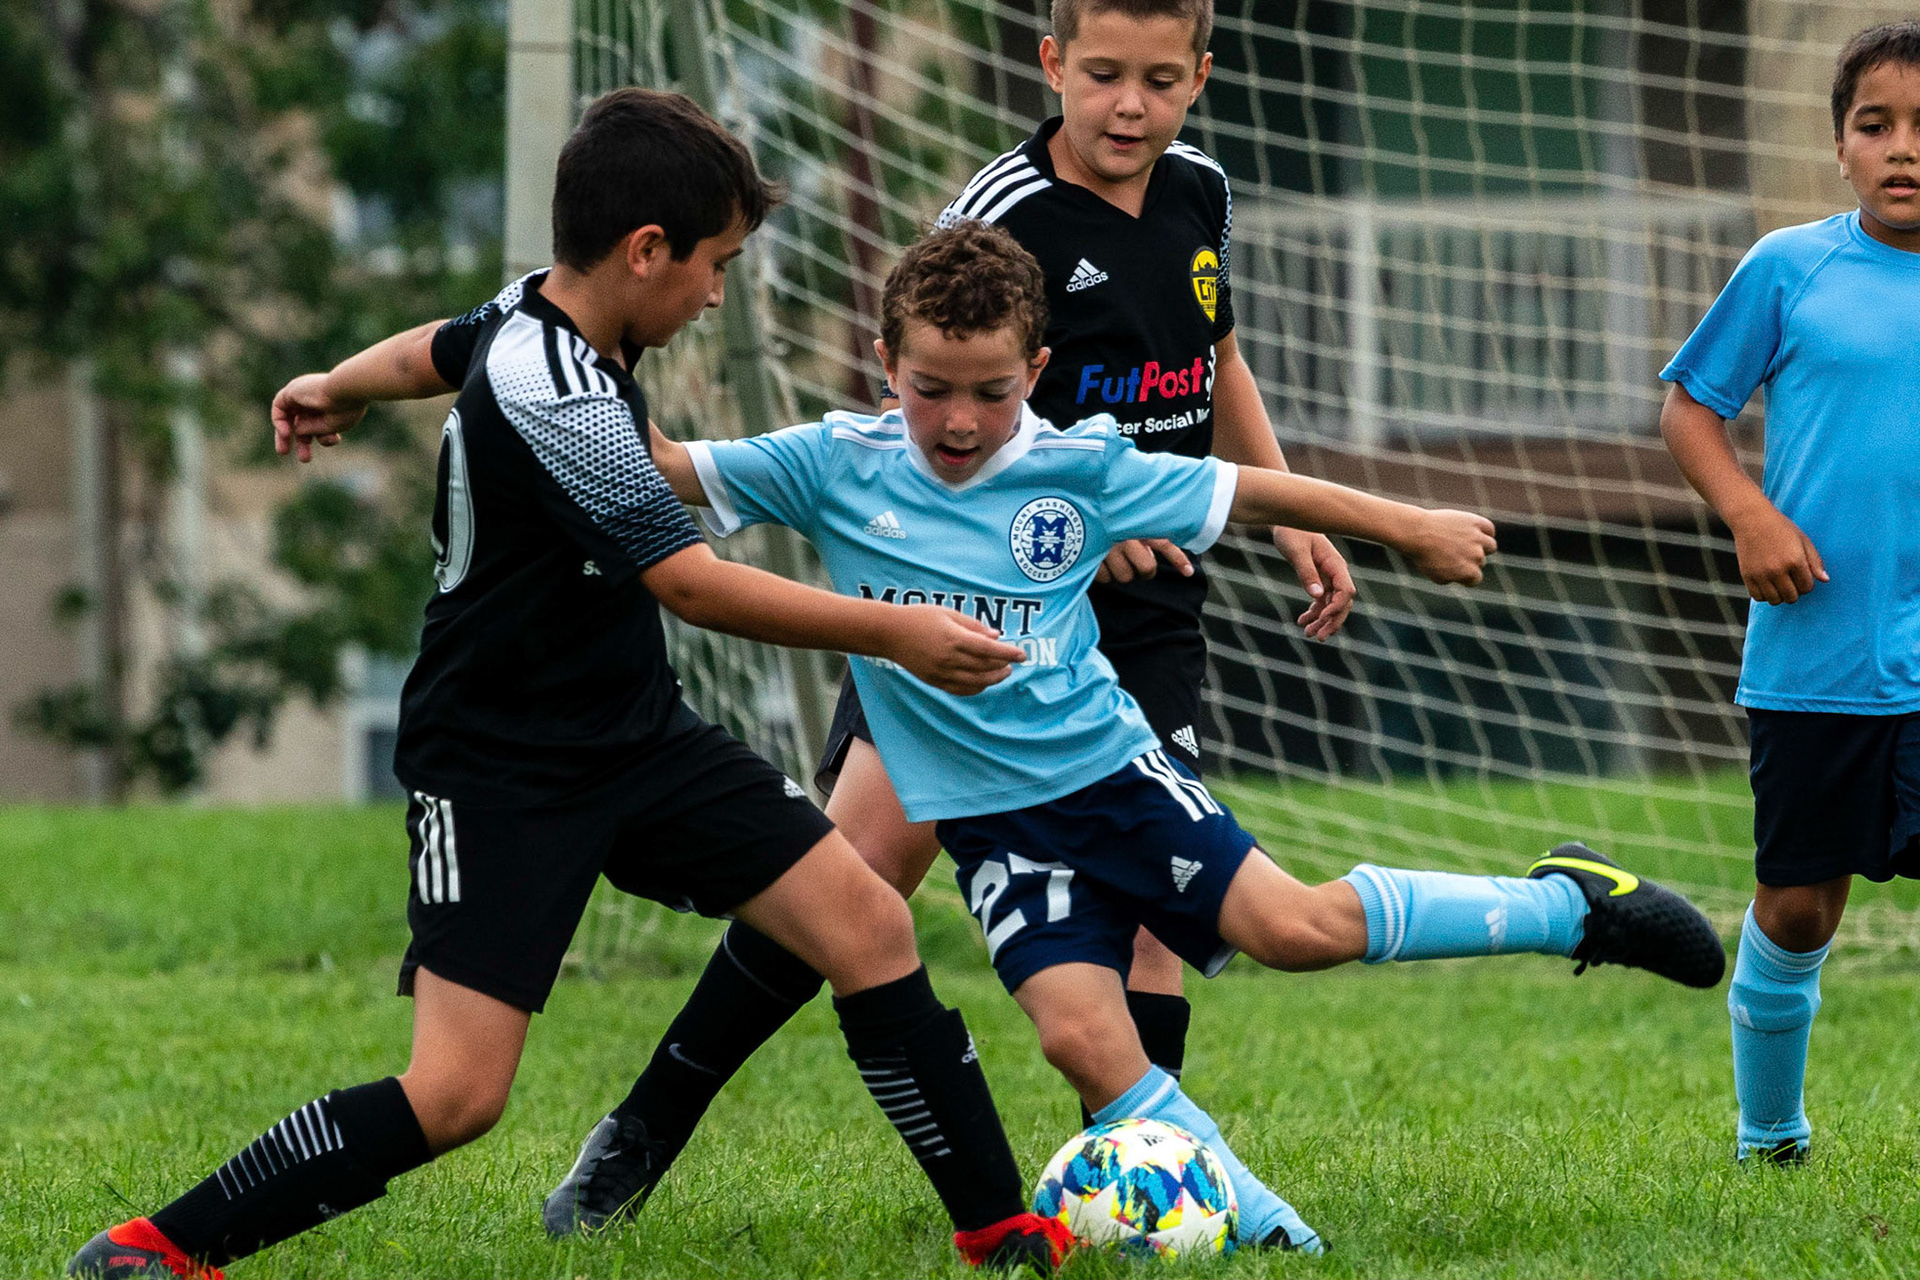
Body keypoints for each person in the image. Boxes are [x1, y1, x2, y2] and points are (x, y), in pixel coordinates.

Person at [65, 90, 1074, 1280]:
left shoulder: (544, 316)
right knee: (455, 1095)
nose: (714, 294)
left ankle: (1002, 1233)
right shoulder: (562, 394)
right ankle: (156, 1245)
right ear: (646, 251)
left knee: (866, 918)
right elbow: (690, 586)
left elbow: (433, 345)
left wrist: (339, 381)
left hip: (635, 735)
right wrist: (897, 630)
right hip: (495, 764)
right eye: (713, 266)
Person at [643, 222, 1726, 1251]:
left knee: (1294, 929)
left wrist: (1408, 524)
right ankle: (1271, 1228)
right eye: (931, 388)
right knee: (1079, 1038)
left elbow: (1250, 491)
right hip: (994, 830)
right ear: (886, 362)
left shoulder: (1082, 467)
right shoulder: (832, 461)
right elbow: (666, 465)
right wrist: (563, 336)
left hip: (1114, 778)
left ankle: (1567, 903)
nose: (961, 419)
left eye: (993, 390)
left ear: (1039, 365)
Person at [546, 0, 1358, 1232]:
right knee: (851, 878)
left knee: (1151, 911)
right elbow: (921, 397)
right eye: (1102, 76)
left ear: (1199, 76)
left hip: (1139, 611)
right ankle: (639, 1134)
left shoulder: (1201, 187)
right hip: (961, 604)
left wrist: (1289, 503)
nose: (1128, 106)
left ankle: (1154, 1193)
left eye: (1155, 79)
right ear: (1053, 66)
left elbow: (1216, 355)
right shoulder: (997, 213)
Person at [1658, 21, 1920, 1167]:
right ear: (1841, 143)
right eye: (1878, 125)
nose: (1903, 149)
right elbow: (1690, 408)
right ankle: (1771, 1135)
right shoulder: (1789, 266)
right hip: (1816, 654)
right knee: (1802, 906)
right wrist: (1751, 515)